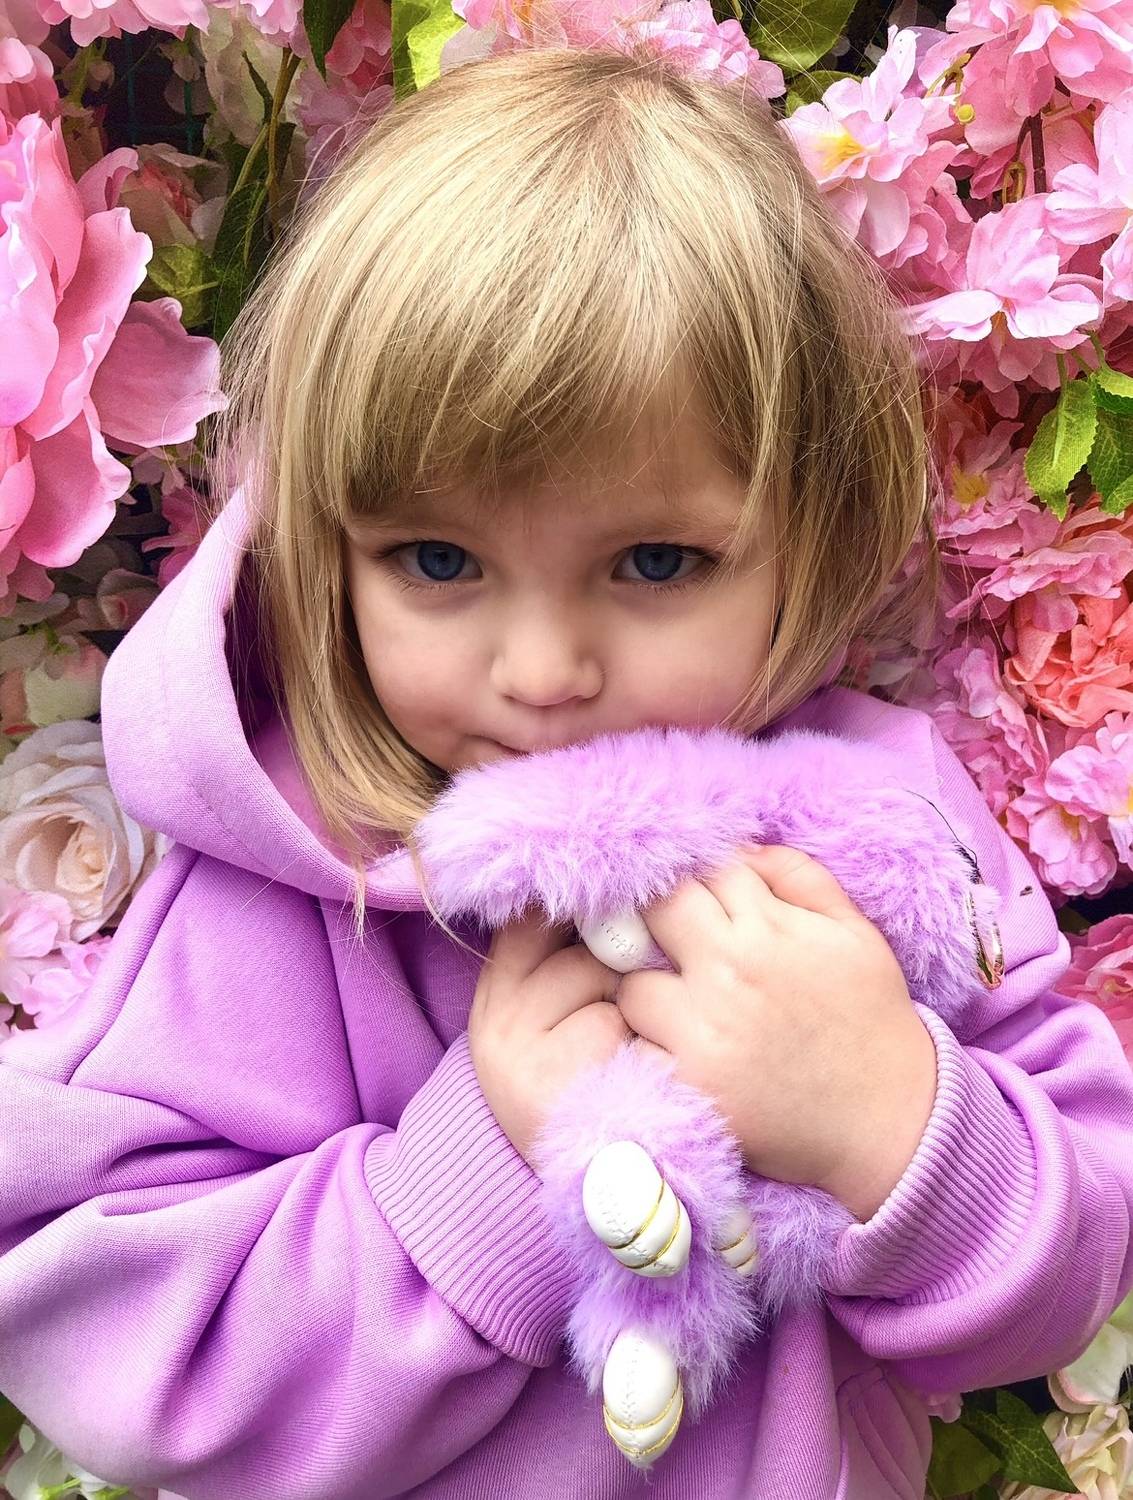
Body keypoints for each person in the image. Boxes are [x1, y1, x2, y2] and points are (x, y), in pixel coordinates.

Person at [1, 41, 1131, 1500]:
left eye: (655, 562)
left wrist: (892, 1116)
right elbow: (116, 1348)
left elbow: (1075, 1263)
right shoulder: (276, 883)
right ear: (321, 551)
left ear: (814, 528)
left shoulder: (879, 820)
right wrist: (487, 1170)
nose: (542, 671)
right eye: (437, 560)